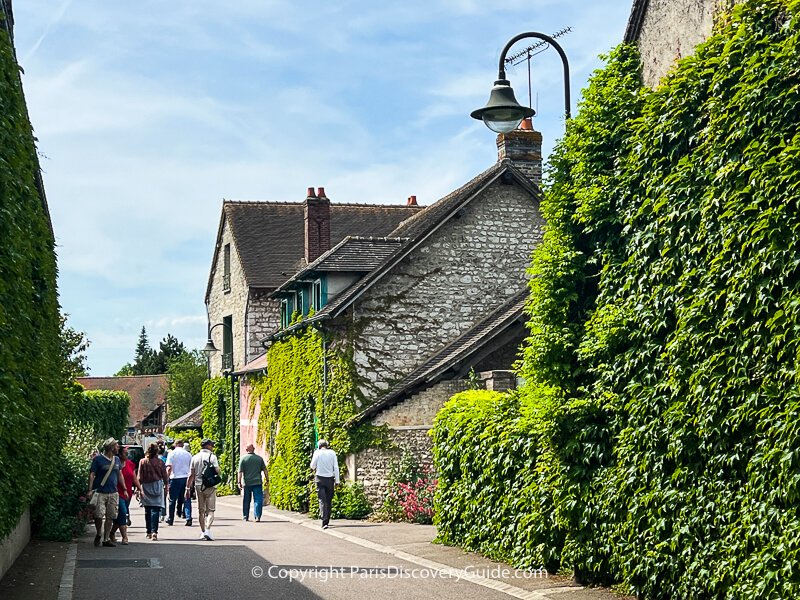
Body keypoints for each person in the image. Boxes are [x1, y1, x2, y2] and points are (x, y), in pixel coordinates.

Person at [88, 438, 125, 547]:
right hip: (100, 492)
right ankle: (99, 533)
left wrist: (124, 488)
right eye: (117, 446)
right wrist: (90, 490)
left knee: (111, 516)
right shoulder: (98, 460)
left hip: (113, 492)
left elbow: (119, 474)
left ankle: (106, 538)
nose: (118, 447)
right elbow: (92, 474)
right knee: (98, 515)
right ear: (111, 448)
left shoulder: (117, 460)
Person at [186, 439, 221, 541]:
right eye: (212, 445)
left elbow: (191, 475)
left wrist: (187, 488)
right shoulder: (212, 457)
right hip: (210, 485)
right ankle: (208, 530)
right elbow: (217, 471)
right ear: (208, 446)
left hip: (198, 485)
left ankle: (202, 532)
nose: (213, 447)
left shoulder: (194, 457)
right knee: (211, 510)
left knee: (201, 510)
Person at [110, 444, 142, 545]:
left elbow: (134, 478)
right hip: (116, 492)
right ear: (119, 454)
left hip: (127, 493)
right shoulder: (114, 464)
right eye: (125, 453)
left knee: (119, 515)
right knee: (123, 512)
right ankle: (125, 537)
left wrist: (140, 489)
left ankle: (111, 533)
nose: (127, 455)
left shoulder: (130, 464)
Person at [137, 443, 169, 540]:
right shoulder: (160, 462)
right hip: (157, 485)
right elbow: (164, 475)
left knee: (147, 510)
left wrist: (138, 489)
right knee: (155, 509)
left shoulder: (143, 462)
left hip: (146, 486)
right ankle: (155, 531)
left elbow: (139, 476)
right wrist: (166, 485)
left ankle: (148, 532)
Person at [310, 439, 339, 530]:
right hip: (330, 479)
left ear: (319, 446)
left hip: (319, 479)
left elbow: (312, 466)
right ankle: (327, 520)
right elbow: (336, 467)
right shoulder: (332, 453)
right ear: (327, 445)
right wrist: (337, 481)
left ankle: (324, 521)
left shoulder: (317, 453)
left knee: (322, 500)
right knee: (329, 500)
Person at [238, 444, 268, 522]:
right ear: (253, 449)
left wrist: (239, 482)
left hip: (247, 483)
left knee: (246, 500)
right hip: (257, 482)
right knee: (258, 499)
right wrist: (267, 480)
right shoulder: (259, 459)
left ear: (246, 450)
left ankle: (245, 516)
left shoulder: (243, 459)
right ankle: (257, 516)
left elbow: (240, 472)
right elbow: (265, 470)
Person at [165, 439, 193, 526]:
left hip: (175, 478)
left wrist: (166, 480)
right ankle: (188, 517)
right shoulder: (188, 454)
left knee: (172, 499)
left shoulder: (172, 454)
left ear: (176, 444)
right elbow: (191, 468)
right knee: (187, 499)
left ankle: (170, 519)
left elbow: (169, 468)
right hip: (186, 478)